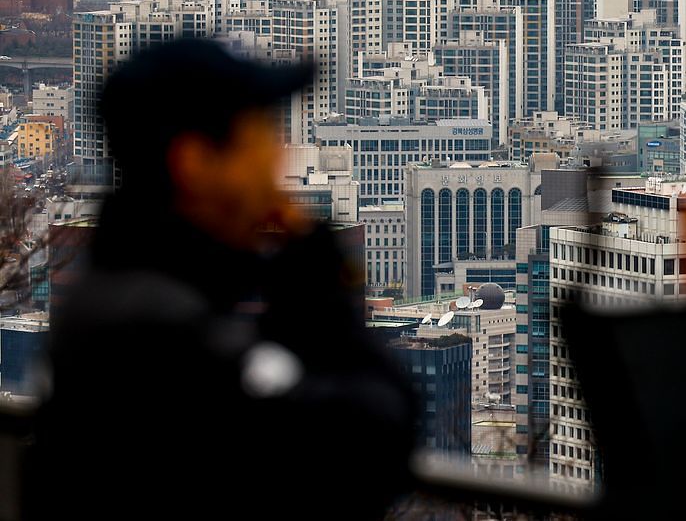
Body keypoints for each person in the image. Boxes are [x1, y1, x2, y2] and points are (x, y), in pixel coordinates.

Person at [36, 39, 415, 520]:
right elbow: (367, 444)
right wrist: (319, 293)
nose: (277, 156)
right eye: (258, 133)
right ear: (195, 161)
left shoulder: (117, 290)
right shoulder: (163, 331)